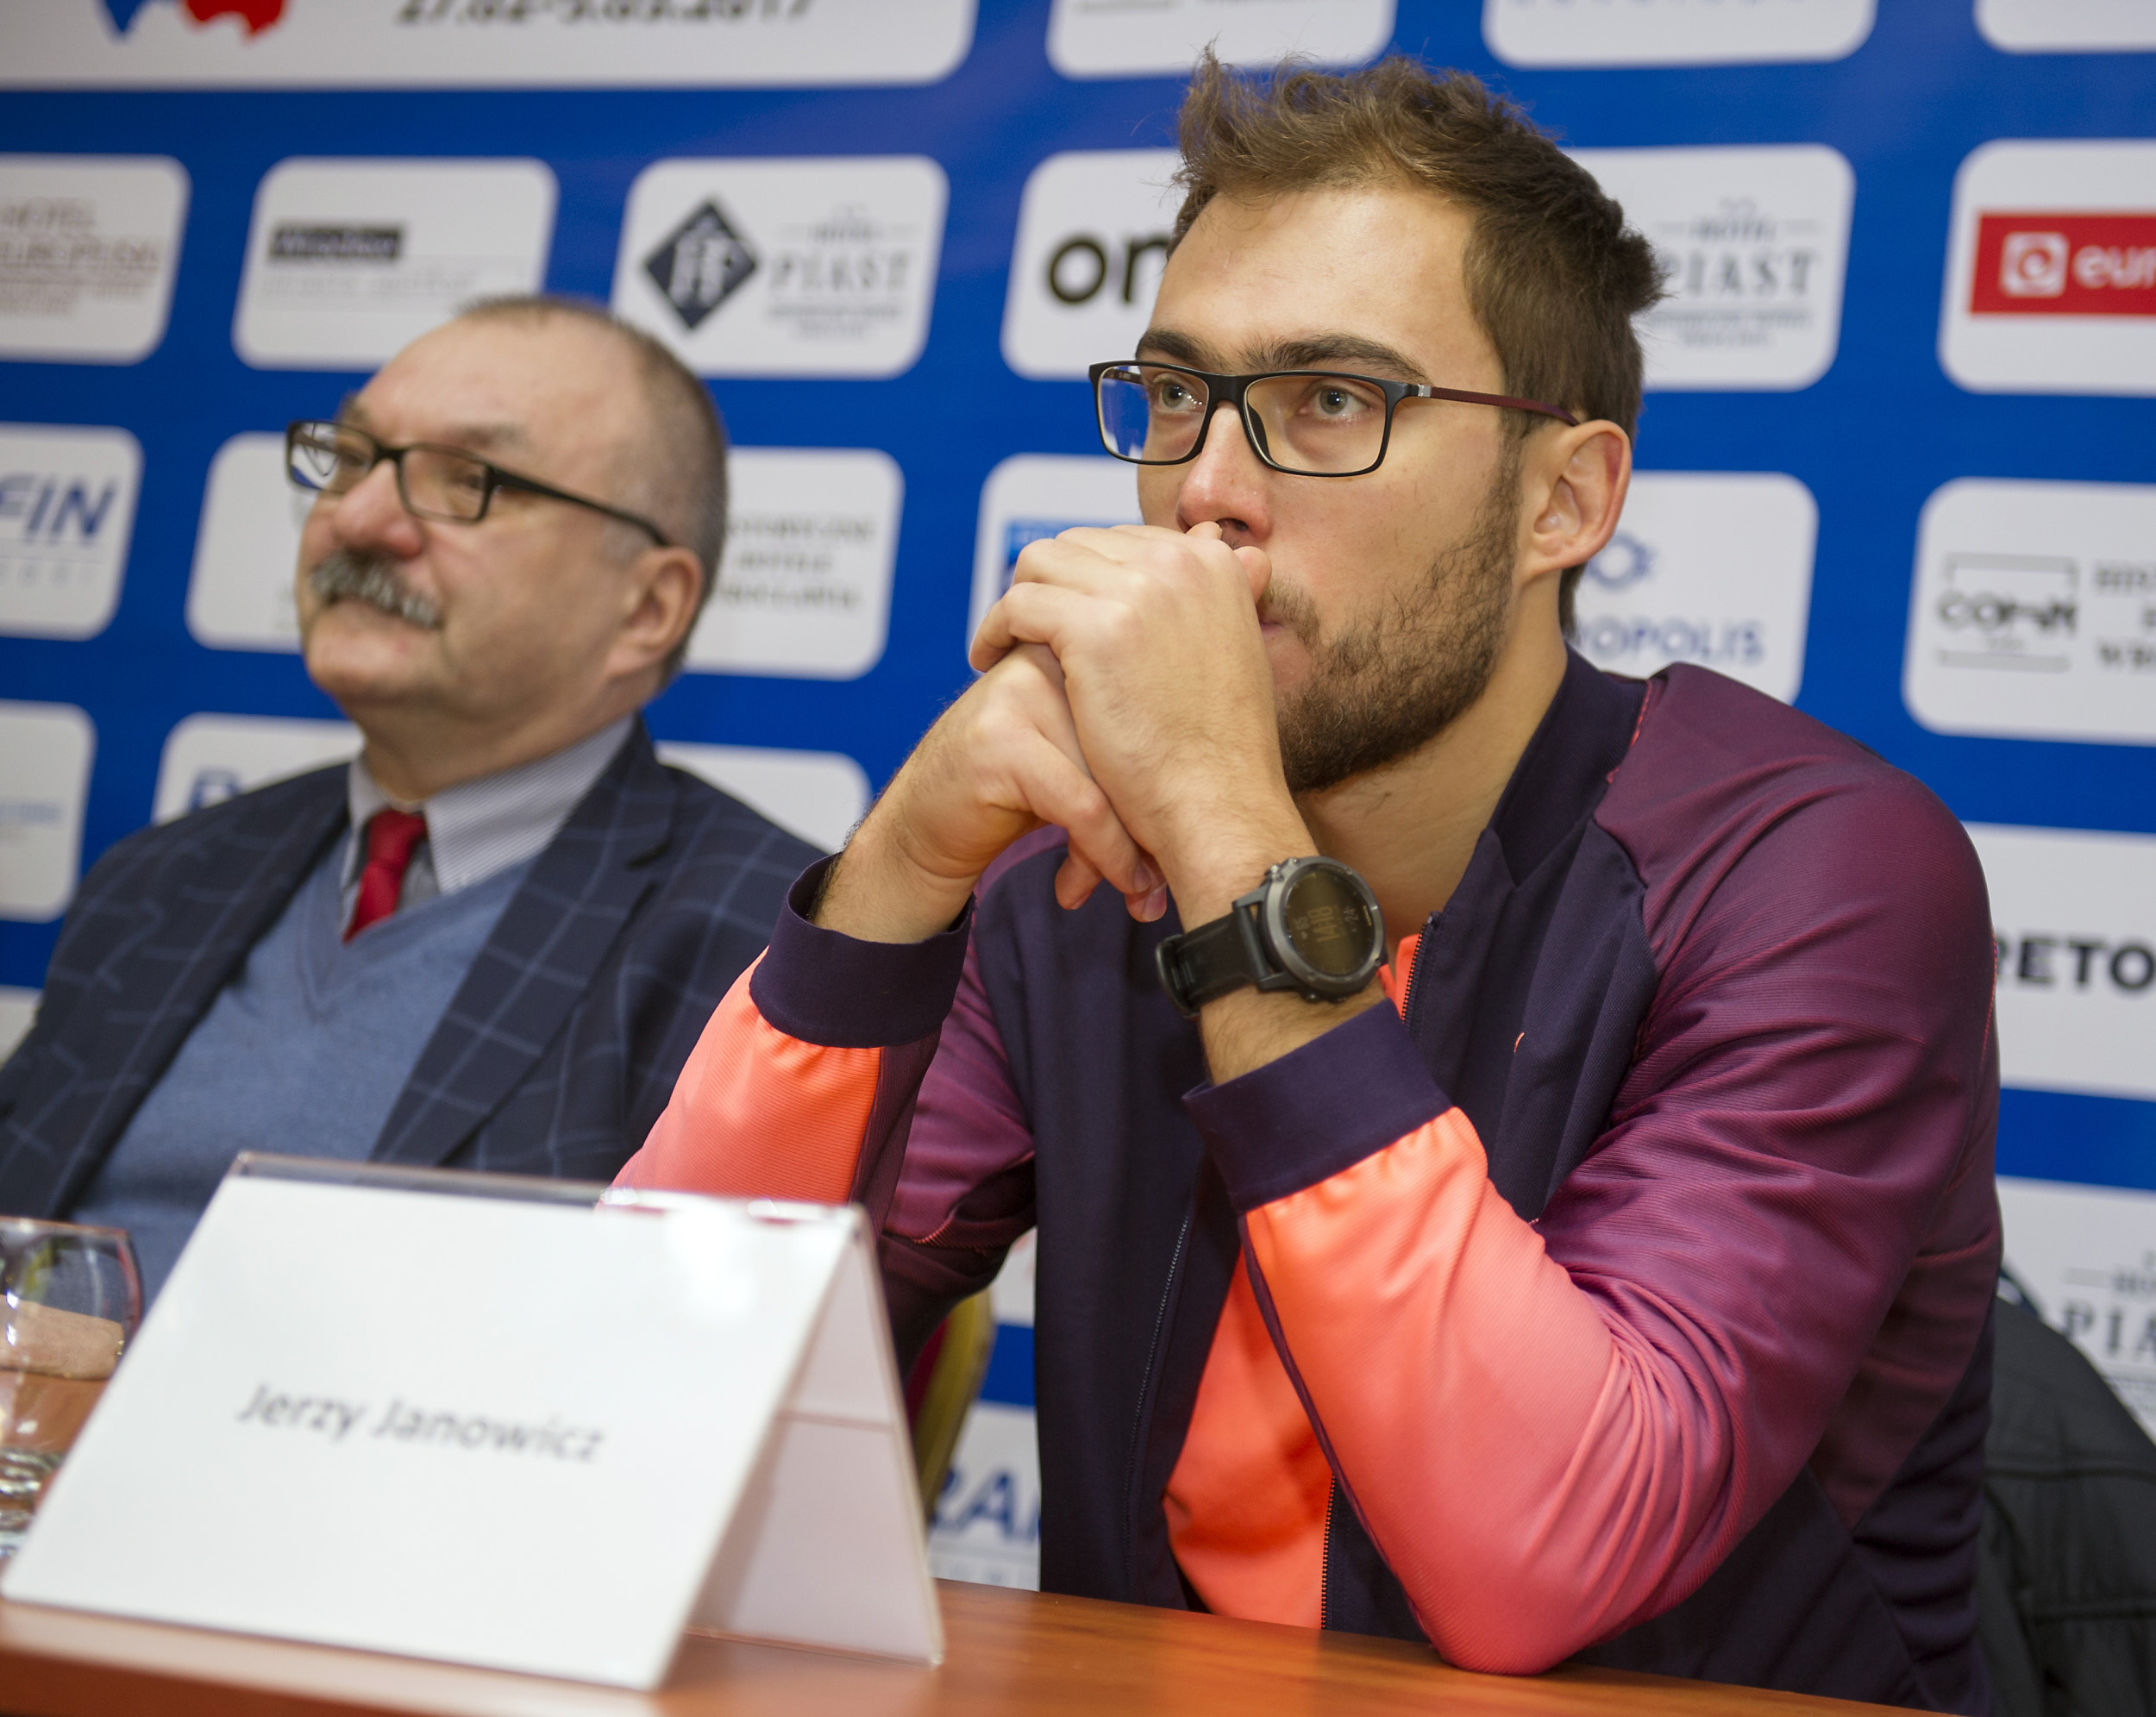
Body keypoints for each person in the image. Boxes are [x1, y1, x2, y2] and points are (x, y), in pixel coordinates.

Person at [619, 56, 2000, 1712]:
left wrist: (1222, 818)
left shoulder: (1815, 867)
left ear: (1565, 499)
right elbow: (644, 1416)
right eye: (1180, 394)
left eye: (1333, 404)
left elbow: (1544, 1554)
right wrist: (899, 878)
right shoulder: (1067, 877)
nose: (1206, 489)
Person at [0, 297, 815, 1303]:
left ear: (646, 607)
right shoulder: (163, 877)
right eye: (350, 458)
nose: (359, 519)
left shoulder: (770, 954)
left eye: (468, 481)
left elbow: (686, 1388)